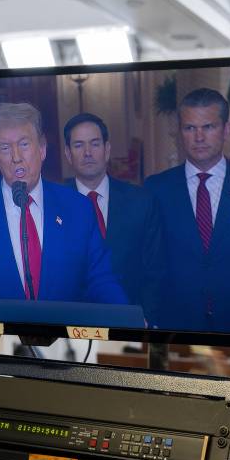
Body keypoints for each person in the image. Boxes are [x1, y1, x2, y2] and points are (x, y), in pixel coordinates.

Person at [0, 103, 127, 304]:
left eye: (24, 144)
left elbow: (101, 278)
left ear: (42, 149)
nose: (16, 157)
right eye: (5, 148)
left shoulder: (78, 208)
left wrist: (125, 320)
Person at [145, 88, 230, 334]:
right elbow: (148, 261)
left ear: (227, 130)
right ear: (180, 133)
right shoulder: (156, 189)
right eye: (190, 128)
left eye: (208, 127)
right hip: (174, 327)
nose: (199, 137)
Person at [63, 112, 167, 326]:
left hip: (131, 324)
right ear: (68, 153)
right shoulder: (51, 206)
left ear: (107, 149)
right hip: (72, 326)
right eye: (79, 145)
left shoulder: (142, 202)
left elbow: (155, 270)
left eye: (95, 144)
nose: (88, 153)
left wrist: (145, 320)